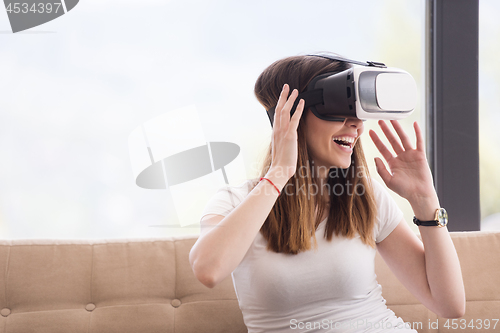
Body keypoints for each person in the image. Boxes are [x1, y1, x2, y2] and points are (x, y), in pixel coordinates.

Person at [189, 54, 465, 332]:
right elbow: (208, 270)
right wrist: (279, 172)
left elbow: (450, 306)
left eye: (357, 112)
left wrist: (425, 199)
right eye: (337, 109)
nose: (356, 125)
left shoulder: (365, 196)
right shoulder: (236, 201)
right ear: (287, 117)